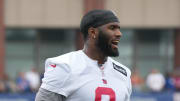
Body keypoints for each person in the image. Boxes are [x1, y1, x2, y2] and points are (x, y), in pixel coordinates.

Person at [35, 9, 132, 101]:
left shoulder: (123, 73)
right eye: (112, 28)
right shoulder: (65, 66)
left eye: (119, 29)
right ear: (93, 32)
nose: (119, 34)